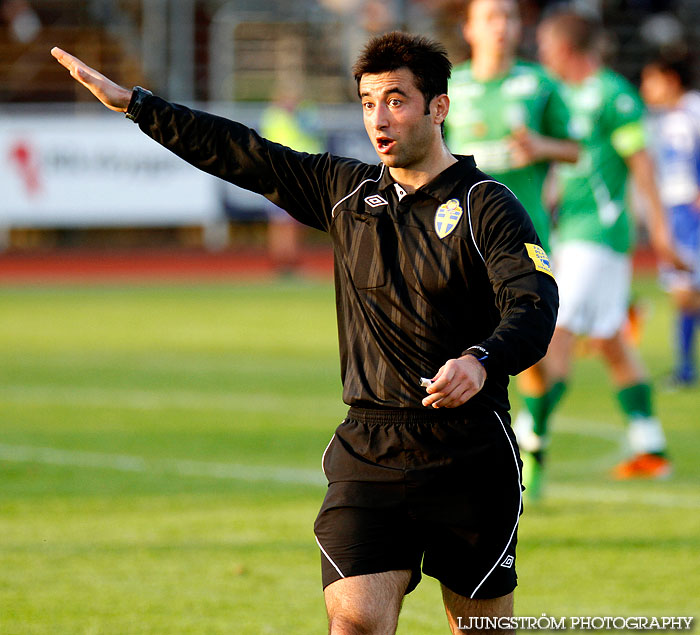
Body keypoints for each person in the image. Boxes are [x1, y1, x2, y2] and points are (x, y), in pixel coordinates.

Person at [51, 32, 558, 634]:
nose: (379, 118)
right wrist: (137, 105)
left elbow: (534, 302)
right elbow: (243, 153)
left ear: (438, 107)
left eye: (396, 100)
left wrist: (482, 358)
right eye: (368, 102)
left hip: (469, 453)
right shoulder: (347, 193)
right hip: (370, 447)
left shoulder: (488, 205)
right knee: (355, 623)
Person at [519, 10, 687, 488]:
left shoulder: (614, 95)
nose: (542, 55)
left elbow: (642, 165)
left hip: (599, 233)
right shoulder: (559, 97)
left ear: (564, 48)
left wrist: (659, 230)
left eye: (547, 46)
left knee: (555, 332)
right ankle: (651, 446)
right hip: (572, 229)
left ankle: (529, 445)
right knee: (613, 339)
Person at [446, 0, 579, 501]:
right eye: (490, 17)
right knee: (451, 347)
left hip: (524, 242)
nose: (501, 26)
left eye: (509, 17)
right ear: (470, 28)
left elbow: (576, 149)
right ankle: (468, 466)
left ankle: (535, 442)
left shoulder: (540, 85)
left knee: (528, 356)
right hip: (458, 238)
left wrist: (542, 147)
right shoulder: (449, 87)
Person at [640, 54, 700, 386]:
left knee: (685, 291)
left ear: (671, 79)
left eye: (652, 80)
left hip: (691, 212)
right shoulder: (663, 118)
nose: (646, 88)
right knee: (685, 292)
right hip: (674, 211)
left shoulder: (694, 109)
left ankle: (686, 370)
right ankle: (685, 369)